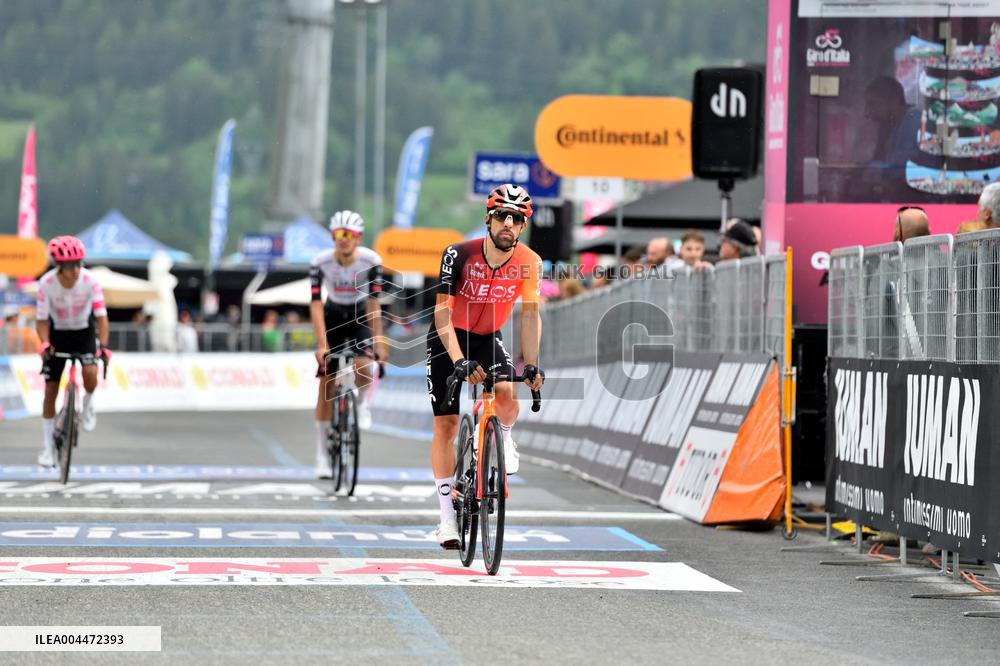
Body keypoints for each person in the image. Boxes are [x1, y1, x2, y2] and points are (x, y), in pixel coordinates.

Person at [426, 183, 545, 548]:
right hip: (449, 337)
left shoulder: (530, 262)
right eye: (501, 216)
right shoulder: (458, 254)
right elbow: (442, 312)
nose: (508, 223)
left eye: (516, 218)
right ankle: (446, 518)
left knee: (509, 392)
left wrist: (532, 364)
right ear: (488, 219)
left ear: (523, 226)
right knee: (445, 426)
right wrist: (459, 361)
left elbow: (530, 316)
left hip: (487, 335)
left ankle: (504, 439)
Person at [309, 209, 387, 478]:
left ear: (358, 237)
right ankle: (321, 454)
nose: (344, 239)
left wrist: (379, 342)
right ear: (333, 236)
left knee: (365, 367)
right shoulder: (320, 262)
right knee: (326, 383)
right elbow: (316, 304)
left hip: (358, 315)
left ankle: (363, 403)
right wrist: (322, 344)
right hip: (332, 315)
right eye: (339, 234)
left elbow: (374, 303)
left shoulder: (371, 260)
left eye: (349, 235)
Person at [35, 236, 111, 467]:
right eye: (70, 266)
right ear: (60, 267)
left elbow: (101, 318)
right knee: (50, 390)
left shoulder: (90, 281)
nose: (76, 270)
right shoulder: (46, 284)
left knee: (90, 373)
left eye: (79, 263)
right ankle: (47, 446)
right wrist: (45, 344)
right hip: (58, 333)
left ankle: (88, 402)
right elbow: (41, 321)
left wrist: (104, 347)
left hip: (84, 332)